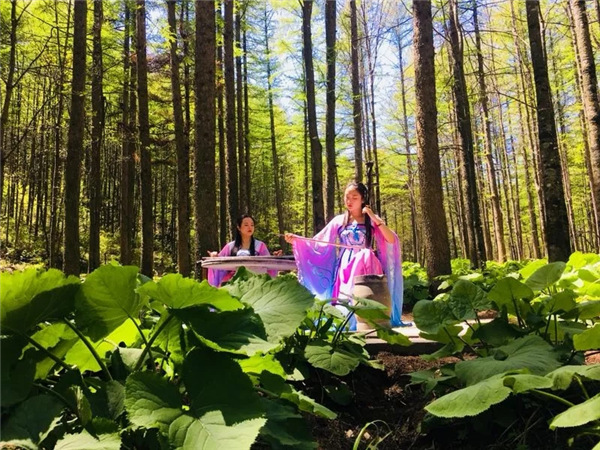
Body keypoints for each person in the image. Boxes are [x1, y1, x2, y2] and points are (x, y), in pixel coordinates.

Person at [284, 181, 404, 327]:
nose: (349, 201)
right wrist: (298, 240)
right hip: (346, 265)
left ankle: (371, 320)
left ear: (363, 199)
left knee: (366, 280)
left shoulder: (371, 220)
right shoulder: (339, 220)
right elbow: (318, 241)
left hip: (367, 263)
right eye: (347, 197)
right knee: (347, 296)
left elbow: (391, 240)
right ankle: (348, 322)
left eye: (354, 197)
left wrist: (374, 217)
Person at [208, 214, 278, 286]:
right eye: (246, 225)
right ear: (239, 227)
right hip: (234, 282)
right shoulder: (230, 246)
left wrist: (275, 258)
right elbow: (219, 262)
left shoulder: (260, 246)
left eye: (252, 225)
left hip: (255, 281)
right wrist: (214, 256)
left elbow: (269, 265)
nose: (250, 227)